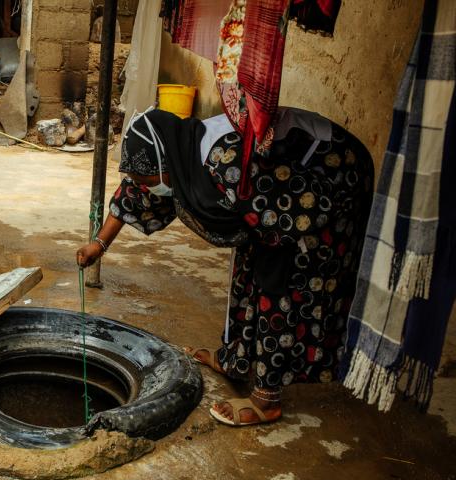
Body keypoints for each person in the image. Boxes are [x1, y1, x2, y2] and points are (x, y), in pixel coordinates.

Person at [76, 107, 373, 426]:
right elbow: (133, 192)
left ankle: (267, 397)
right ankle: (237, 360)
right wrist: (99, 244)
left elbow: (277, 233)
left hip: (330, 173)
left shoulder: (224, 161)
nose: (146, 188)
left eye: (148, 180)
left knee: (283, 280)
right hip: (271, 195)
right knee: (248, 263)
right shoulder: (177, 153)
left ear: (167, 163)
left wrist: (268, 267)